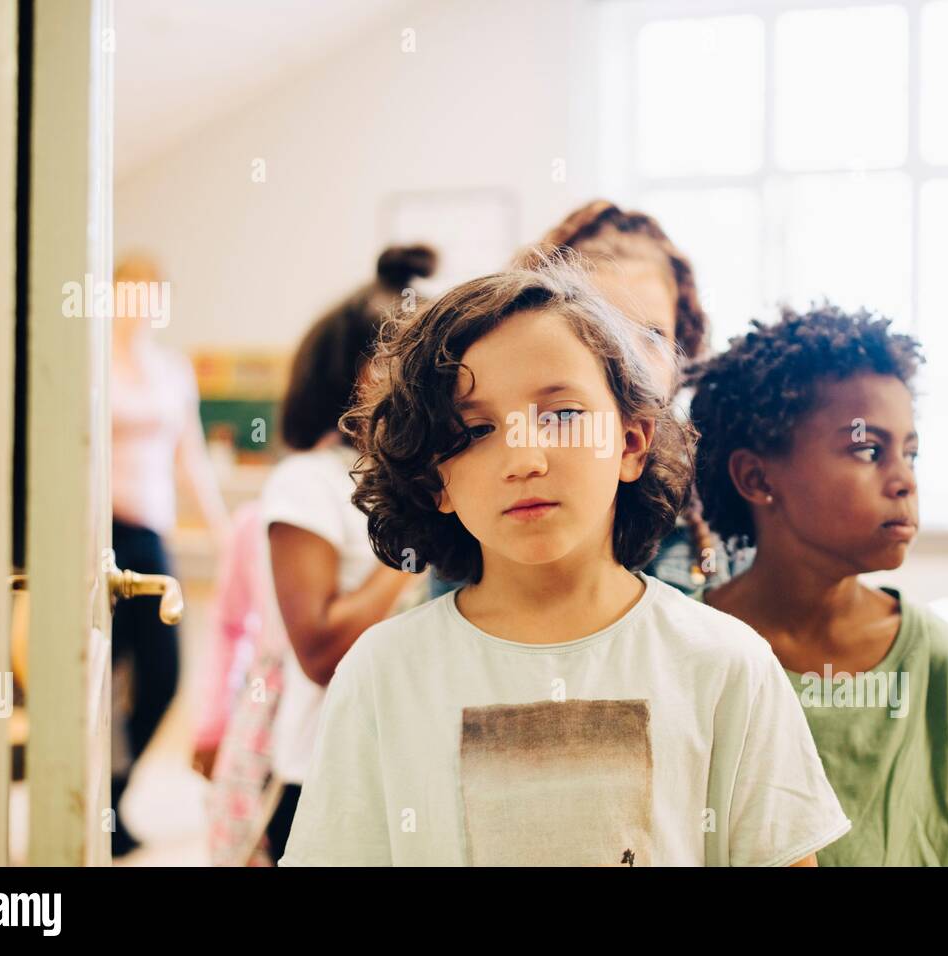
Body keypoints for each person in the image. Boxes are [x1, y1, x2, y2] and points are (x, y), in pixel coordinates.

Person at [280, 256, 849, 866]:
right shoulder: (382, 673)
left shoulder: (725, 664)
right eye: (474, 430)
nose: (524, 457)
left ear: (631, 442)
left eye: (561, 416)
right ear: (435, 479)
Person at [686, 305, 948, 865]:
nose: (904, 480)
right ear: (757, 478)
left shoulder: (944, 666)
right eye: (868, 450)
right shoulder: (686, 654)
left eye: (911, 453)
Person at [426, 199, 728, 599]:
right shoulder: (490, 513)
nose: (630, 359)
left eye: (654, 336)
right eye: (605, 331)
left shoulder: (722, 497)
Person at [258, 245, 432, 863]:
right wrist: (415, 545)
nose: (421, 378)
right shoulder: (307, 482)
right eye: (399, 359)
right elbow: (320, 652)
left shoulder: (433, 474)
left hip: (419, 772)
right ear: (354, 373)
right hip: (325, 771)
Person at [109, 253, 231, 857]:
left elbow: (191, 457)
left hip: (150, 538)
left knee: (162, 674)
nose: (141, 302)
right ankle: (96, 798)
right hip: (96, 536)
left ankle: (113, 787)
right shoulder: (89, 364)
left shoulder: (171, 370)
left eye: (152, 292)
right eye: (130, 290)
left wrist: (222, 533)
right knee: (101, 674)